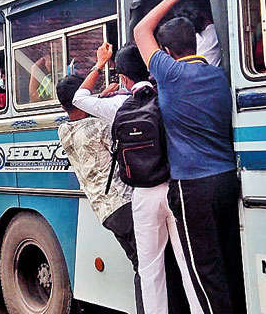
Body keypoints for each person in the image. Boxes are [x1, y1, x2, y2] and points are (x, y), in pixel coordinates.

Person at [134, 0, 244, 314]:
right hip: (227, 180)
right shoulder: (217, 75)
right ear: (195, 44)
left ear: (166, 51)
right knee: (227, 264)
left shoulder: (170, 74)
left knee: (204, 273)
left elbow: (140, 30)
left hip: (192, 188)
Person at [72, 42, 201, 314]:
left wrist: (99, 63)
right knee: (187, 263)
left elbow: (79, 99)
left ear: (123, 77)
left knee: (150, 268)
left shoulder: (119, 104)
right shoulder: (167, 93)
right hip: (174, 188)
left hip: (142, 194)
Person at [55, 73, 143, 314]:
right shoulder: (99, 127)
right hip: (124, 204)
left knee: (140, 265)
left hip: (105, 211)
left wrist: (97, 101)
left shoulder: (64, 131)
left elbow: (84, 119)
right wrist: (103, 103)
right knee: (148, 268)